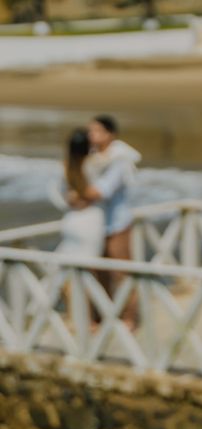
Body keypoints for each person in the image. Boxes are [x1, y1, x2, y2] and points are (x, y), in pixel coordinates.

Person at [72, 115, 141, 331]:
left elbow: (101, 191)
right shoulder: (92, 158)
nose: (92, 135)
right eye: (90, 131)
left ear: (110, 134)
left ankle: (130, 319)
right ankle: (104, 316)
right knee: (98, 272)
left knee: (121, 273)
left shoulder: (120, 159)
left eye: (97, 131)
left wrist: (77, 194)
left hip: (117, 223)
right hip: (96, 224)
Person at [52, 128, 105, 258]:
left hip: (70, 220)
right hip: (90, 220)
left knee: (68, 268)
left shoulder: (64, 166)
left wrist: (70, 200)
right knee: (87, 267)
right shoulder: (95, 164)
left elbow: (56, 195)